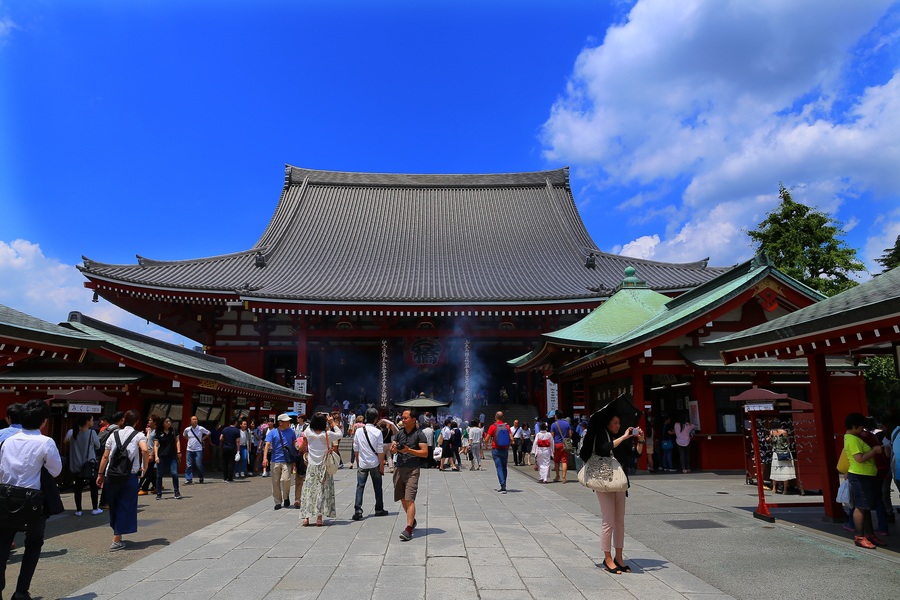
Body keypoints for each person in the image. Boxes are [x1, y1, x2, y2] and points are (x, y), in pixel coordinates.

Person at [0, 399, 63, 600]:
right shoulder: (46, 442)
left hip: (6, 497)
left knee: (2, 545)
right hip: (32, 500)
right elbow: (56, 470)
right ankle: (20, 591)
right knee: (33, 543)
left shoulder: (8, 441)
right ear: (44, 421)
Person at [580, 408, 643, 574]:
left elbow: (635, 455)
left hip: (620, 483)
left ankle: (619, 557)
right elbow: (603, 449)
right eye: (615, 423)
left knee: (620, 521)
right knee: (608, 521)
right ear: (608, 423)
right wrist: (623, 437)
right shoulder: (602, 433)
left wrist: (640, 441)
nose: (618, 425)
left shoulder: (622, 437)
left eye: (619, 423)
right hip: (604, 481)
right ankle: (607, 557)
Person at [97, 409, 149, 552]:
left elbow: (105, 456)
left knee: (114, 505)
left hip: (111, 475)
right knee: (126, 505)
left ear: (123, 420)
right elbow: (144, 450)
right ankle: (116, 539)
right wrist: (145, 467)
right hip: (129, 475)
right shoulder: (139, 435)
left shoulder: (113, 435)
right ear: (136, 421)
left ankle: (117, 534)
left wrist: (100, 474)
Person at [843, 412, 884, 549]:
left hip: (864, 475)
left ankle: (869, 535)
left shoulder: (854, 437)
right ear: (855, 426)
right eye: (861, 428)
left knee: (865, 506)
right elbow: (859, 459)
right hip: (860, 476)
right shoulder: (853, 440)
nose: (863, 430)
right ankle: (860, 537)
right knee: (861, 506)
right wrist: (874, 451)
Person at [299, 412, 342, 526]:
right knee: (321, 491)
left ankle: (306, 518)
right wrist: (332, 422)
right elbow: (340, 434)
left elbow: (308, 427)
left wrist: (315, 415)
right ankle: (319, 518)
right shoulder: (327, 434)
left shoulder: (309, 433)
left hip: (312, 466)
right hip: (324, 466)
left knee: (309, 491)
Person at [391, 409, 428, 541]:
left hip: (412, 469)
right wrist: (394, 448)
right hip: (399, 468)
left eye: (406, 418)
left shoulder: (419, 434)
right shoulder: (399, 433)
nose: (403, 420)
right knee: (402, 497)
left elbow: (425, 453)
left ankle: (408, 529)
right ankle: (412, 521)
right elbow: (394, 446)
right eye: (402, 418)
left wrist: (409, 450)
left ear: (413, 419)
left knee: (409, 499)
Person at [352, 408, 390, 520]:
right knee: (378, 487)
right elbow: (380, 451)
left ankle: (358, 510)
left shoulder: (359, 431)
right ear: (376, 419)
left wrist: (358, 462)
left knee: (360, 487)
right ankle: (379, 509)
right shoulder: (378, 432)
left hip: (363, 463)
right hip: (374, 463)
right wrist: (382, 466)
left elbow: (356, 448)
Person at [68, 413, 102, 516]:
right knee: (93, 487)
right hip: (88, 464)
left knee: (78, 488)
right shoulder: (92, 433)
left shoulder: (72, 433)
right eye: (92, 420)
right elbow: (98, 445)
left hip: (76, 464)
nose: (93, 422)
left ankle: (78, 510)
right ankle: (95, 508)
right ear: (87, 422)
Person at [263, 414, 298, 510]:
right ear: (280, 423)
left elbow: (294, 444)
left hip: (287, 460)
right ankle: (278, 501)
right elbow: (267, 444)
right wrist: (265, 458)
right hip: (275, 460)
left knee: (286, 479)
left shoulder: (291, 432)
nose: (289, 423)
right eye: (287, 421)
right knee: (275, 482)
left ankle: (286, 496)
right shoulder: (273, 432)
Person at [153, 417, 182, 500]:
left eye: (169, 421)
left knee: (174, 473)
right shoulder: (158, 432)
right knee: (159, 475)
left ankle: (176, 491)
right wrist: (156, 456)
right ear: (163, 423)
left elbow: (177, 441)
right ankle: (159, 493)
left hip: (172, 456)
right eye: (166, 422)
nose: (168, 423)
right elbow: (156, 445)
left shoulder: (174, 431)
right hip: (161, 456)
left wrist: (178, 451)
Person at [484, 411, 512, 493]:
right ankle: (504, 484)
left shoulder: (493, 426)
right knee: (504, 467)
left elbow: (486, 439)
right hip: (505, 449)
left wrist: (486, 445)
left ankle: (502, 485)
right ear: (503, 418)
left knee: (499, 467)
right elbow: (512, 438)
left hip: (496, 449)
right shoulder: (507, 426)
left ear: (495, 417)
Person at [767, 419, 795, 494]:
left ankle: (774, 488)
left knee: (775, 470)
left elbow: (770, 440)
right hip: (785, 452)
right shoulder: (784, 432)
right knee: (786, 470)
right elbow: (788, 441)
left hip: (776, 453)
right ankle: (785, 490)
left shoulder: (772, 432)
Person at [182, 415, 210, 484]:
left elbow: (208, 433)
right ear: (190, 421)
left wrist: (202, 439)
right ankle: (188, 479)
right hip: (189, 449)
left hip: (198, 449)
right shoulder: (187, 429)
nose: (195, 420)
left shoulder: (200, 428)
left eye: (196, 419)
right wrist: (189, 440)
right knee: (189, 465)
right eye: (193, 419)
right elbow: (184, 435)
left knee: (199, 464)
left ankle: (201, 477)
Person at [138, 415, 160, 495]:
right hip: (148, 453)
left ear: (155, 422)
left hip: (151, 454)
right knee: (150, 472)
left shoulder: (157, 431)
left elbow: (156, 444)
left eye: (150, 420)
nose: (149, 422)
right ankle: (157, 486)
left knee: (146, 471)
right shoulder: (151, 431)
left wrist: (152, 454)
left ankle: (142, 488)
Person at [550, 410, 572, 483]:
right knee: (564, 461)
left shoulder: (553, 424)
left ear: (556, 416)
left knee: (556, 461)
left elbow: (552, 436)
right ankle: (564, 478)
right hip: (565, 444)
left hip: (557, 444)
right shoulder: (567, 424)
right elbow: (570, 435)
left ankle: (557, 476)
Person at [220, 417, 241, 483]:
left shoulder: (225, 429)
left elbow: (221, 438)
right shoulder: (237, 430)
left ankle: (225, 478)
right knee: (231, 463)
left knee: (224, 463)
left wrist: (225, 440)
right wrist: (238, 450)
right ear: (235, 422)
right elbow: (237, 441)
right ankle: (230, 478)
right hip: (232, 447)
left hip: (225, 447)